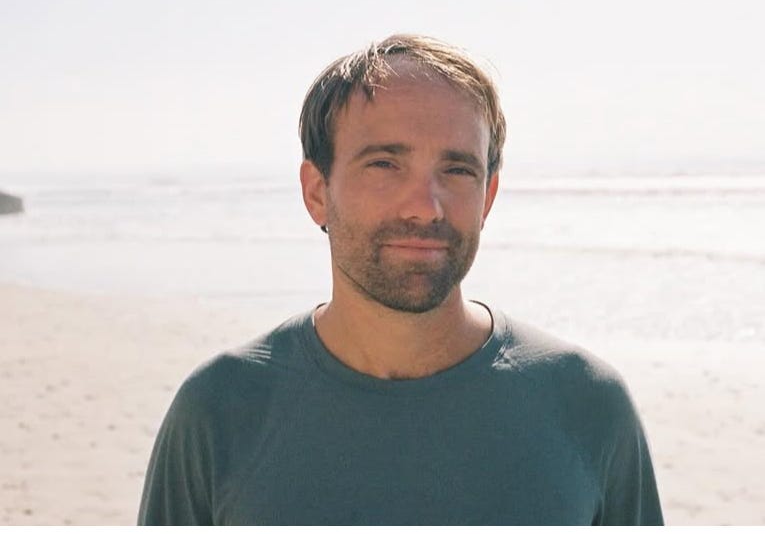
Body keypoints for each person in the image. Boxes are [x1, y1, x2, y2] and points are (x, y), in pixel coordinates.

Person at [138, 34, 663, 525]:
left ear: (488, 196)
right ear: (317, 192)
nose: (425, 207)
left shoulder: (585, 403)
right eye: (385, 164)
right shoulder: (222, 409)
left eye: (457, 170)